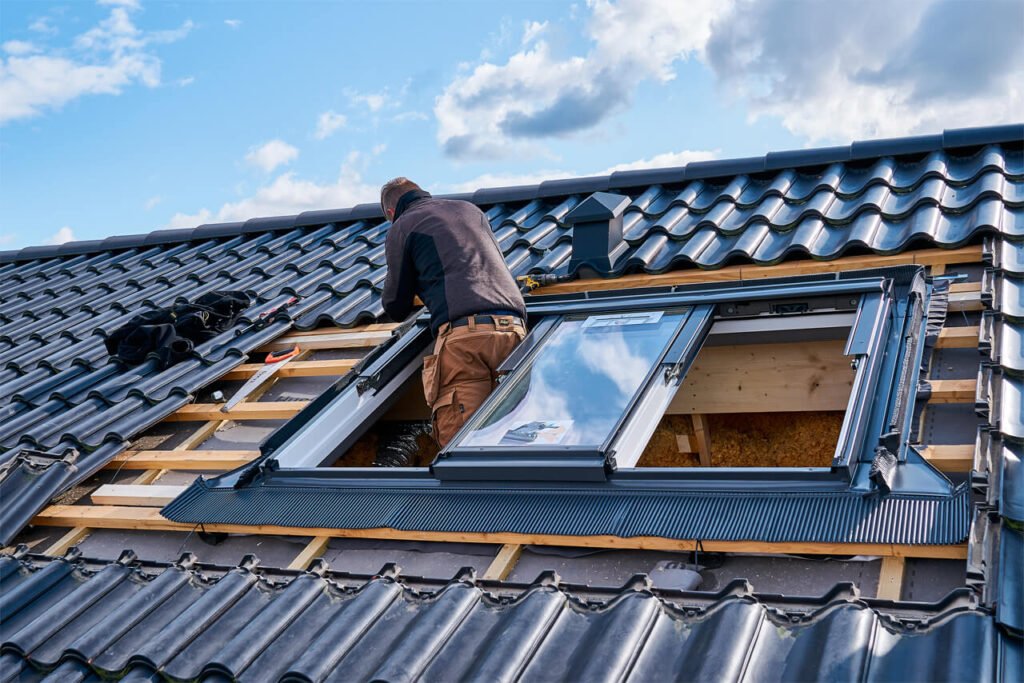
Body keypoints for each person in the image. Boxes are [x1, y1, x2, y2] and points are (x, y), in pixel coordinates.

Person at [380, 177, 527, 448]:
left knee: (462, 443)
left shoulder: (403, 225)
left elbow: (396, 305)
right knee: (512, 437)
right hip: (515, 332)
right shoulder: (471, 211)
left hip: (466, 340)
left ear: (391, 212)